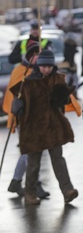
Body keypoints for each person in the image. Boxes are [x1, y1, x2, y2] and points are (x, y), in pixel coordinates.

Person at [9, 49, 79, 205]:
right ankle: (30, 193)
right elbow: (19, 101)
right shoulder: (27, 83)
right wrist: (17, 105)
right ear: (38, 65)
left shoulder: (57, 79)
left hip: (53, 126)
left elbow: (64, 102)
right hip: (34, 127)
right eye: (43, 66)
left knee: (58, 159)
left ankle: (67, 190)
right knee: (33, 163)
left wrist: (63, 96)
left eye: (49, 66)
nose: (46, 69)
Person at [4, 42, 49, 199]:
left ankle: (22, 182)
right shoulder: (21, 72)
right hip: (24, 118)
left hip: (37, 119)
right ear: (32, 57)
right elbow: (15, 97)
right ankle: (28, 183)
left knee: (31, 152)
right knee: (29, 152)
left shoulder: (40, 72)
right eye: (38, 55)